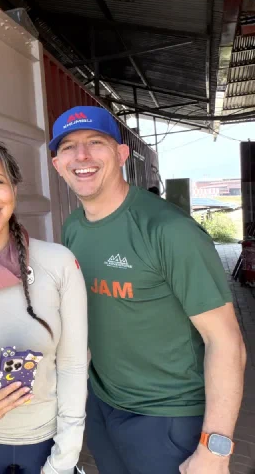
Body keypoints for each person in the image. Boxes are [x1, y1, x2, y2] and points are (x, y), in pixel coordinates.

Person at [50, 105, 247, 474]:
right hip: (103, 406)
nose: (82, 156)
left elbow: (226, 341)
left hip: (168, 417)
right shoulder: (73, 229)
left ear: (122, 154)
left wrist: (215, 448)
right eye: (68, 147)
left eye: (96, 142)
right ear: (57, 164)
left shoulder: (169, 231)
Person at [0, 140, 88, 474]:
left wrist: (65, 457)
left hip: (44, 442)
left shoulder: (59, 263)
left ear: (14, 188)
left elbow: (74, 365)